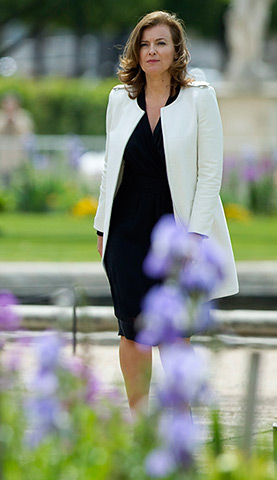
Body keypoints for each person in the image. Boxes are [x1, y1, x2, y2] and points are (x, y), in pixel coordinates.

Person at [93, 11, 238, 414]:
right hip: (125, 225)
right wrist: (101, 225)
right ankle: (139, 421)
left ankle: (179, 420)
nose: (151, 51)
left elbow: (210, 174)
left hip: (178, 228)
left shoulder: (200, 97)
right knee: (132, 330)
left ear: (177, 51)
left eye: (160, 43)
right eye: (144, 43)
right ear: (135, 51)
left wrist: (195, 235)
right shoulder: (119, 98)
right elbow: (110, 165)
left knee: (177, 330)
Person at [0, 92, 34, 184]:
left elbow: (27, 131)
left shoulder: (23, 116)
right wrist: (5, 122)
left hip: (19, 153)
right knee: (3, 179)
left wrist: (14, 122)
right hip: (2, 155)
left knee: (20, 178)